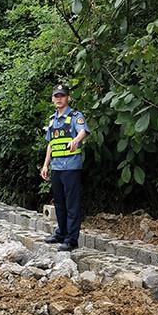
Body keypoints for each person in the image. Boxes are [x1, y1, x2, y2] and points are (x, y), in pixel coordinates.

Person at [41, 84, 89, 252]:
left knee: (71, 204)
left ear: (68, 97)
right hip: (57, 167)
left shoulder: (76, 116)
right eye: (56, 96)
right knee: (59, 202)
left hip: (71, 167)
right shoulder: (52, 120)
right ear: (53, 99)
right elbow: (50, 145)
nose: (59, 99)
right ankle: (61, 233)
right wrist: (46, 164)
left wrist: (76, 140)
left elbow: (83, 131)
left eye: (62, 95)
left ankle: (71, 239)